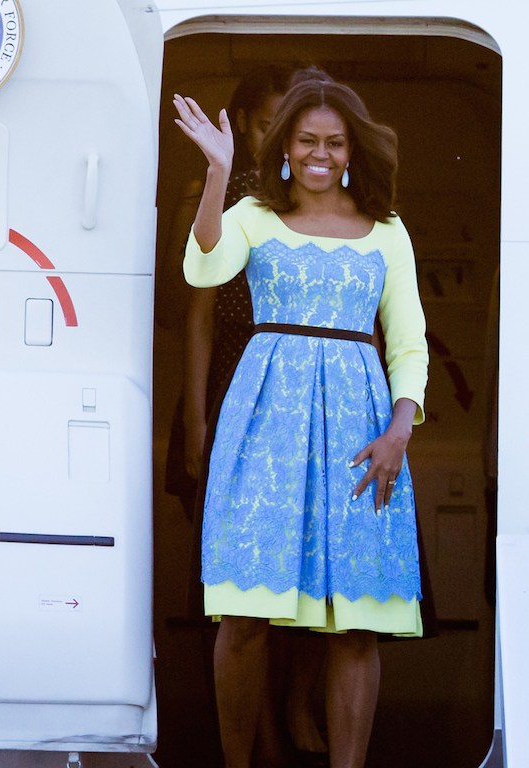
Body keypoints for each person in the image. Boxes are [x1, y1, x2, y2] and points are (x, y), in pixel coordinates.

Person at [173, 73, 428, 768]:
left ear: (352, 150)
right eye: (307, 140)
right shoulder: (253, 214)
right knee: (244, 614)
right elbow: (205, 269)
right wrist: (218, 172)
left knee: (358, 623)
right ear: (285, 145)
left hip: (360, 431)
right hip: (264, 426)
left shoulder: (387, 230)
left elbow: (408, 342)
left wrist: (400, 429)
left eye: (335, 142)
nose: (321, 153)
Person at [165, 65, 330, 767]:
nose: (280, 137)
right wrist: (198, 423)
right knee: (239, 581)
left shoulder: (325, 199)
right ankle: (257, 737)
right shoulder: (227, 196)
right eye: (267, 124)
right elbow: (197, 314)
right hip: (230, 385)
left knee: (310, 566)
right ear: (241, 124)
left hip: (308, 394)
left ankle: (295, 705)